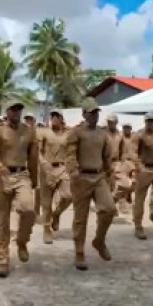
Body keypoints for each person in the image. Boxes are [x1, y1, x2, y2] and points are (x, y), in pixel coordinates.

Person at [0, 101, 38, 278]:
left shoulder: (28, 131)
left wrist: (35, 178)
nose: (17, 112)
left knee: (28, 209)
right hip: (2, 175)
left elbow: (33, 156)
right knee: (2, 219)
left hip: (22, 174)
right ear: (7, 111)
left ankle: (22, 241)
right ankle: (3, 259)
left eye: (19, 109)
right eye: (13, 109)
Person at [64, 98, 114, 270]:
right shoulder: (76, 132)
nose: (94, 115)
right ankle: (79, 252)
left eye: (96, 112)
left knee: (109, 209)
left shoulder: (102, 133)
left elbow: (107, 156)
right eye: (91, 112)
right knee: (80, 218)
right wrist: (73, 171)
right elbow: (69, 154)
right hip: (81, 178)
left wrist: (110, 175)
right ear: (84, 114)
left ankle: (99, 240)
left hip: (99, 177)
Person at [39, 108, 71, 244]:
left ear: (62, 119)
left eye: (57, 116)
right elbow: (38, 151)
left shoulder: (67, 134)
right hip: (47, 169)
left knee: (68, 196)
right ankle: (47, 228)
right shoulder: (44, 132)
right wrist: (43, 163)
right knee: (46, 202)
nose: (55, 118)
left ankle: (57, 214)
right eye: (53, 116)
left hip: (62, 168)